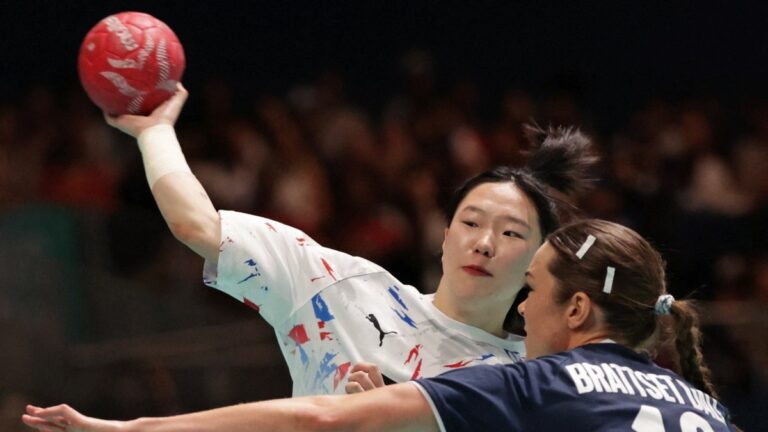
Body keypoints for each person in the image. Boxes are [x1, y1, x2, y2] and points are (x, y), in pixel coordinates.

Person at [78, 84, 598, 397]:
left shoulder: (535, 381)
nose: (484, 243)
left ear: (538, 262)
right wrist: (154, 133)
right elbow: (199, 226)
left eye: (510, 234)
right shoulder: (340, 290)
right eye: (470, 222)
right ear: (442, 236)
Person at [21, 219, 738, 431]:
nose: (523, 308)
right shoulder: (705, 407)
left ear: (577, 310)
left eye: (536, 290)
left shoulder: (537, 383)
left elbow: (320, 421)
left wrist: (130, 431)